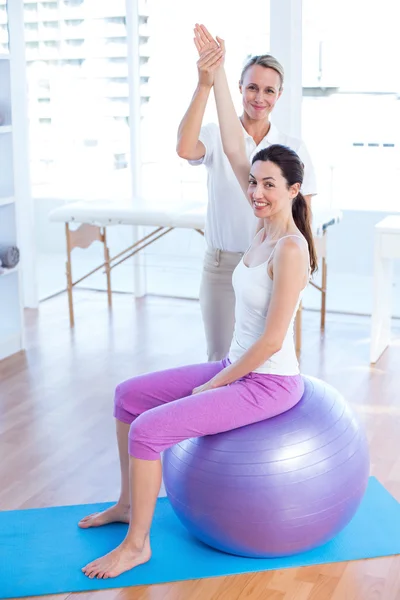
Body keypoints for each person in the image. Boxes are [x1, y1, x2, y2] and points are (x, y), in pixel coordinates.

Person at [78, 27, 317, 580]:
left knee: (150, 430)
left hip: (270, 383)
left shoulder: (290, 249)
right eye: (253, 182)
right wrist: (214, 74)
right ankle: (127, 504)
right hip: (236, 369)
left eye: (269, 185)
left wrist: (217, 383)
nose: (255, 192)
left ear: (295, 190)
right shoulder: (260, 229)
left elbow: (275, 342)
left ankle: (138, 545)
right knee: (127, 397)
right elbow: (234, 145)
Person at [177, 25, 317, 362]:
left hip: (273, 265)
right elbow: (229, 148)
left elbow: (305, 219)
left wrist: (303, 267)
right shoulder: (225, 143)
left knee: (265, 357)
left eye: (269, 90)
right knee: (220, 357)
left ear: (279, 95)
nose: (259, 97)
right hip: (225, 262)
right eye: (252, 87)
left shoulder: (290, 152)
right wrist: (210, 78)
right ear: (241, 88)